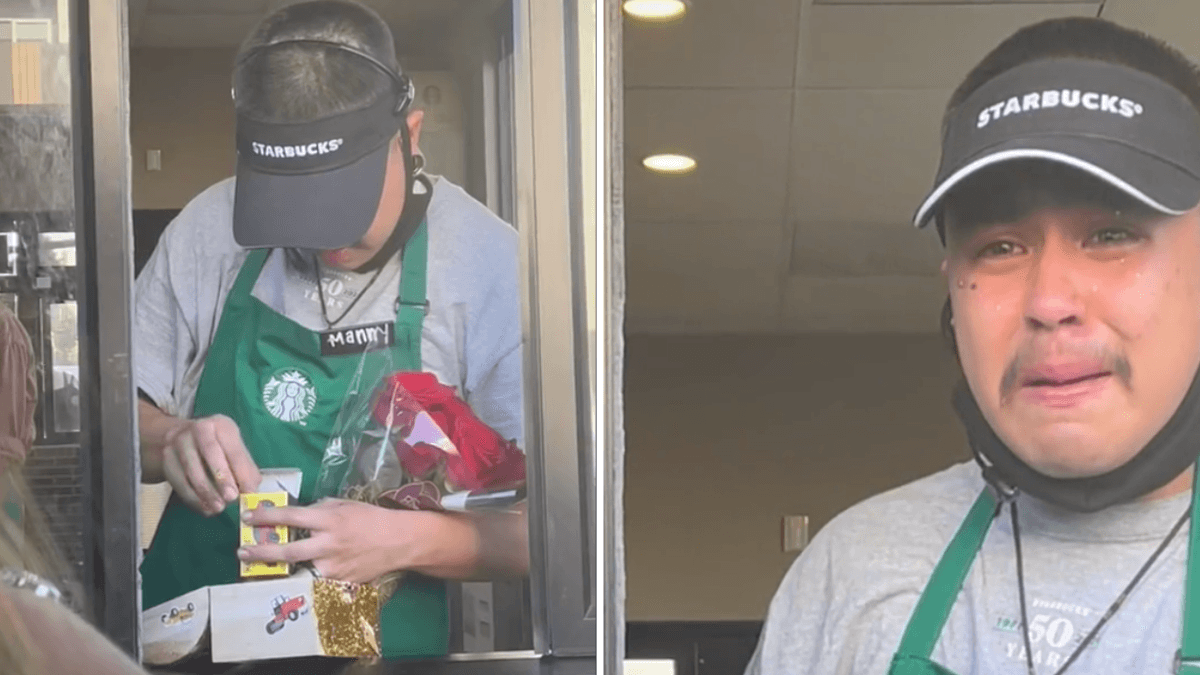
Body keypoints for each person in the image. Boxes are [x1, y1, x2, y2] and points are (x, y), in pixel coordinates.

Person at [747, 17, 1200, 675]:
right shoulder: (849, 574)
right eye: (1000, 247)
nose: (1049, 302)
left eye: (1111, 234)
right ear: (952, 294)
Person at [134, 0, 528, 662]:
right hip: (191, 648)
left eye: (342, 202)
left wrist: (405, 540)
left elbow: (545, 535)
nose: (322, 237)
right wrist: (170, 437)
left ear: (411, 133)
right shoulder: (211, 230)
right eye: (294, 206)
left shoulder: (489, 269)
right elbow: (107, 429)